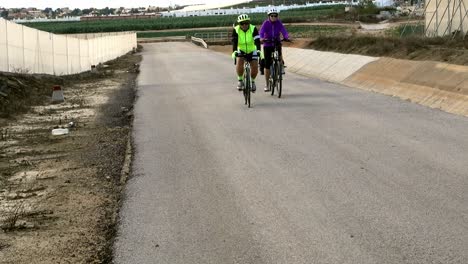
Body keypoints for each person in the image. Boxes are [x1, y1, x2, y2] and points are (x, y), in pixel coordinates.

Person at [259, 8, 290, 92]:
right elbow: (261, 32)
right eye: (272, 16)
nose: (274, 17)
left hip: (276, 42)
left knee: (279, 55)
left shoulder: (278, 23)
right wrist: (261, 38)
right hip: (267, 43)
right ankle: (267, 84)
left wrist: (286, 37)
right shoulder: (266, 23)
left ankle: (281, 66)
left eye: (275, 15)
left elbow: (284, 31)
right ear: (269, 16)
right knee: (267, 64)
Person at [231, 14, 261, 92]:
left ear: (249, 22)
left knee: (254, 66)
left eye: (246, 23)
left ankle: (253, 81)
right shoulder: (236, 29)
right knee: (240, 62)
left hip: (252, 49)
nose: (244, 25)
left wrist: (258, 50)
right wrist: (234, 51)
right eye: (242, 23)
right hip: (241, 49)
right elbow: (235, 41)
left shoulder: (253, 28)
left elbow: (257, 40)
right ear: (239, 24)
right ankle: (240, 80)